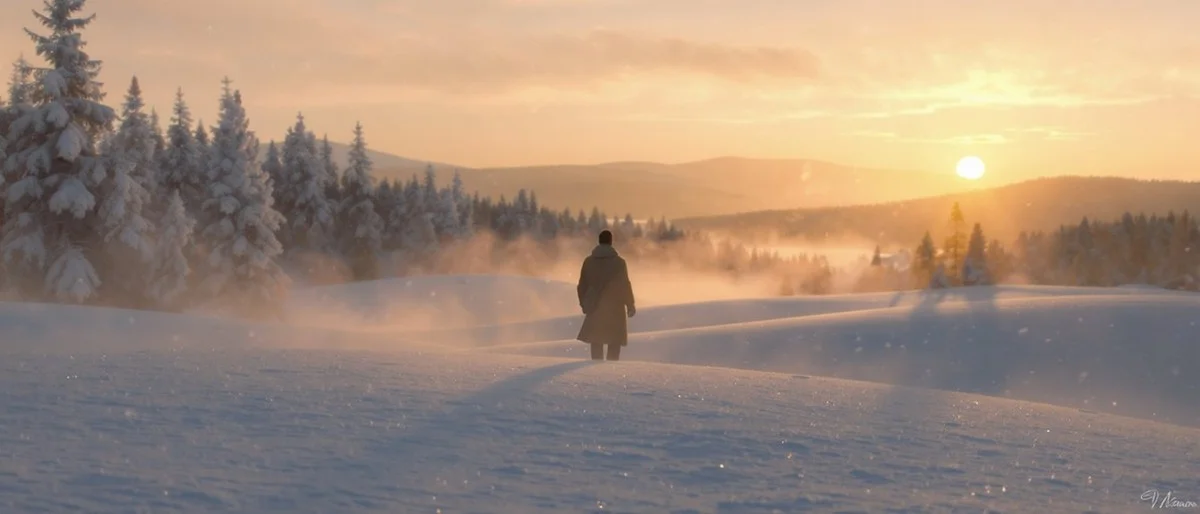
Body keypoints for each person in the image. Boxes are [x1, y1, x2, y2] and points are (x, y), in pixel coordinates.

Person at [576, 230, 636, 360]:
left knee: (596, 340)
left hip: (594, 305)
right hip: (615, 307)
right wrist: (630, 305)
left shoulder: (589, 261)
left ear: (599, 241)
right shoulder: (620, 263)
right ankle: (610, 373)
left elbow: (582, 285)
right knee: (614, 342)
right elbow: (625, 285)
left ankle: (597, 373)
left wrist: (584, 303)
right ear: (611, 241)